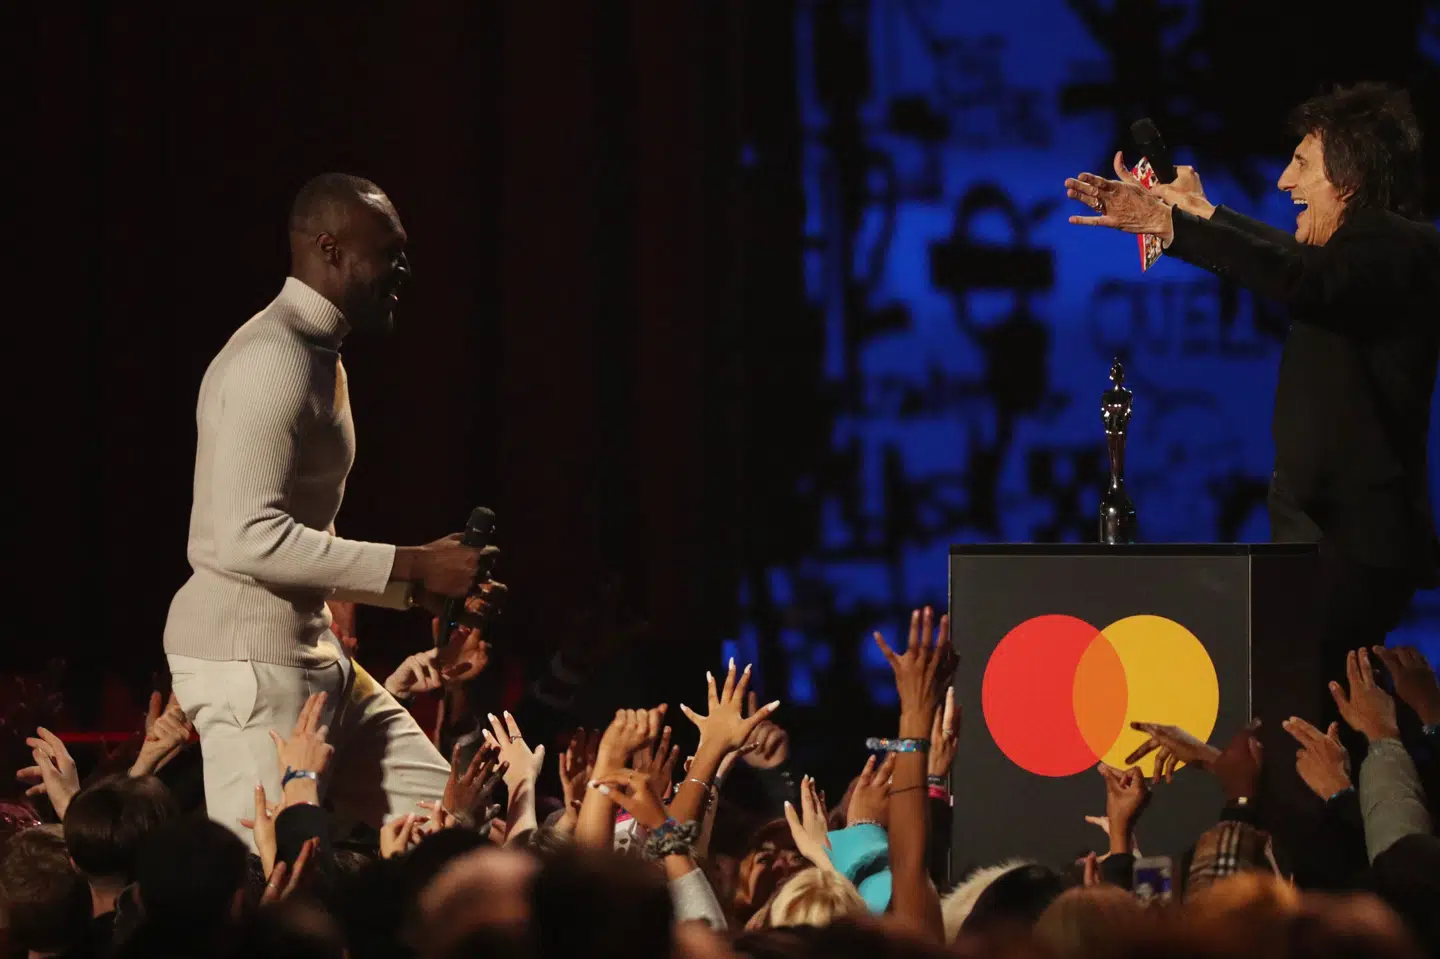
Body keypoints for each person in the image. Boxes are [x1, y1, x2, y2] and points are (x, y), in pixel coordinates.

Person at [163, 173, 490, 848]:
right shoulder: (271, 360)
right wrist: (414, 561)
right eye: (390, 252)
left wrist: (414, 588)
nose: (405, 270)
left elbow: (302, 534)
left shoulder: (317, 355)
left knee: (463, 830)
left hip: (311, 658)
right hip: (251, 666)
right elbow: (248, 538)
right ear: (329, 248)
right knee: (264, 885)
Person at [1063, 83, 1439, 663]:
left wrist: (1171, 226)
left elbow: (1300, 278)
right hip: (1324, 534)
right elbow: (1305, 269)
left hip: (1350, 539)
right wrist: (1202, 213)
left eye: (1301, 164)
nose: (1285, 182)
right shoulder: (1362, 254)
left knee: (1306, 704)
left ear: (1351, 176)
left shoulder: (1395, 243)